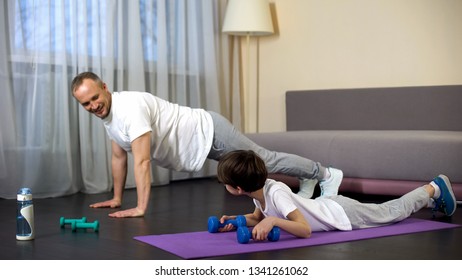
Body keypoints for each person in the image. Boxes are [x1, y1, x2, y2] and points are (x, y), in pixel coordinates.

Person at [71, 71, 343, 218]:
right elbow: (119, 157)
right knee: (258, 166)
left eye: (95, 97)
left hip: (210, 131)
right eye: (86, 104)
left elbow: (141, 160)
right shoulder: (110, 118)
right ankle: (307, 177)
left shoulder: (129, 108)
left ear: (105, 87)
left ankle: (325, 173)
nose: (93, 106)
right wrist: (117, 198)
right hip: (200, 142)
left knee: (264, 162)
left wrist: (141, 208)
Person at [215, 150, 457, 241]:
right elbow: (259, 218)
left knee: (391, 212)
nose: (224, 186)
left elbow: (304, 229)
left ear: (237, 188)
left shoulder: (276, 192)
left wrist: (274, 221)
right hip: (327, 205)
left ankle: (433, 188)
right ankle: (433, 194)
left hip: (342, 214)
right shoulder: (260, 191)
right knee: (389, 211)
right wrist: (236, 221)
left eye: (225, 183)